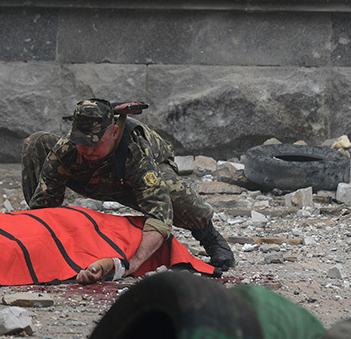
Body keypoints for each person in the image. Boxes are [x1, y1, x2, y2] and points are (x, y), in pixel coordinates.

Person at [21, 98, 235, 281]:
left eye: (94, 142)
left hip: (129, 181)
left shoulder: (135, 152)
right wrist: (33, 237)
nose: (86, 149)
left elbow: (159, 216)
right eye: (81, 142)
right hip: (90, 178)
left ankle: (209, 236)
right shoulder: (67, 150)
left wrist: (133, 264)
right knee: (36, 142)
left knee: (177, 196)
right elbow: (44, 200)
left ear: (114, 132)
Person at [0, 208, 217, 290]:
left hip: (64, 240)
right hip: (60, 221)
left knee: (11, 250)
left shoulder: (149, 242)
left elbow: (120, 263)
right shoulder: (126, 222)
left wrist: (111, 267)